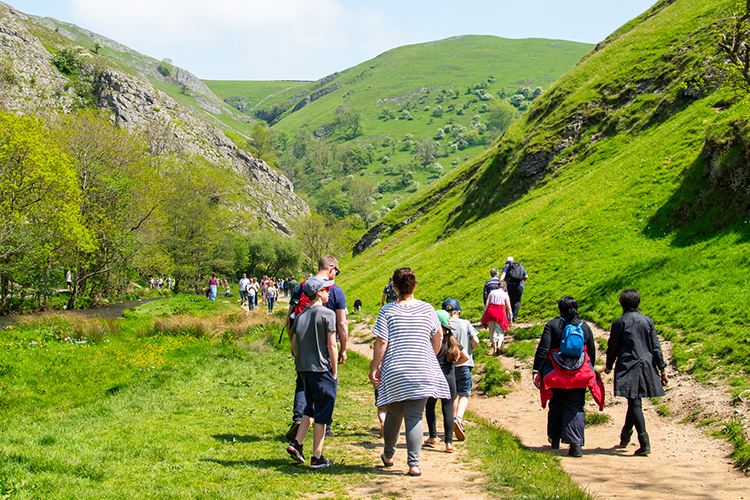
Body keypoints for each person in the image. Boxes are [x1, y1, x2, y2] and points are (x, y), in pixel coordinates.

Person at [368, 267, 450, 477]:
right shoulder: (427, 309)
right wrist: (430, 356)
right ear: (414, 286)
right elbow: (438, 337)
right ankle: (414, 464)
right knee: (415, 417)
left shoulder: (387, 310)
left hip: (395, 368)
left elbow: (381, 341)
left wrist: (375, 366)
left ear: (394, 288)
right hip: (422, 369)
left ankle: (388, 455)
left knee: (394, 414)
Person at [286, 256, 348, 440]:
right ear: (331, 269)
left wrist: (293, 343)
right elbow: (342, 323)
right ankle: (324, 426)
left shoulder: (302, 287)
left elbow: (290, 317)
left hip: (304, 346)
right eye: (336, 271)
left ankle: (299, 418)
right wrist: (343, 348)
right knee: (325, 388)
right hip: (324, 351)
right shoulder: (335, 291)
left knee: (303, 384)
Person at [532, 296, 603, 457]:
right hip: (579, 373)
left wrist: (536, 370)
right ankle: (575, 444)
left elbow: (543, 348)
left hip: (556, 373)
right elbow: (591, 351)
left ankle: (555, 438)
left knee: (556, 403)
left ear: (560, 309)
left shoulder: (552, 325)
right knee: (576, 406)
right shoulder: (584, 327)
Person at [605, 289, 668, 456]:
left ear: (621, 303)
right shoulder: (648, 321)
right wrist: (662, 368)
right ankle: (625, 435)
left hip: (628, 365)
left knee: (634, 402)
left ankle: (644, 441)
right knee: (634, 401)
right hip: (647, 364)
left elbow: (613, 346)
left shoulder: (619, 323)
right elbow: (656, 346)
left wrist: (608, 365)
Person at [286, 276, 339, 469]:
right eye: (326, 290)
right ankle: (317, 456)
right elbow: (332, 344)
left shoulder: (300, 316)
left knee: (309, 407)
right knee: (323, 414)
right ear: (318, 293)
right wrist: (334, 370)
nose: (329, 292)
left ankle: (297, 444)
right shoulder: (328, 314)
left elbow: (294, 345)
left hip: (303, 369)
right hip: (322, 368)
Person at [424, 309, 468, 453]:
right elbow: (465, 357)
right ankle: (448, 443)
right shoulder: (452, 340)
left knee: (430, 406)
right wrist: (452, 364)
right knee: (448, 409)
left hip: (434, 377)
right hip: (450, 377)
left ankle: (433, 436)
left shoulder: (432, 341)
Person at [442, 298, 479, 441]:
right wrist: (469, 351)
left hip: (449, 364)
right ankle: (458, 418)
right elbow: (476, 340)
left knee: (453, 395)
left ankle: (452, 422)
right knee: (464, 393)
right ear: (458, 312)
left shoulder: (445, 324)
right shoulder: (465, 323)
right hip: (465, 363)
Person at [481, 280, 513, 355]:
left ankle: (494, 349)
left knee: (492, 332)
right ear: (505, 287)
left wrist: (483, 315)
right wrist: (510, 319)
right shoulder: (505, 294)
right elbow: (509, 308)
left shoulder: (492, 292)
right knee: (500, 332)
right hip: (500, 312)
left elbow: (486, 304)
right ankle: (499, 346)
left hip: (490, 312)